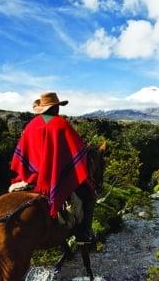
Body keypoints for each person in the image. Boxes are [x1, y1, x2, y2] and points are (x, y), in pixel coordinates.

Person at [9, 92, 95, 243]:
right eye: (58, 107)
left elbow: (22, 152)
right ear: (55, 108)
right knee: (89, 194)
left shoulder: (31, 125)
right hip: (52, 179)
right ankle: (83, 234)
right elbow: (78, 151)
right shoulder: (61, 124)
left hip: (30, 176)